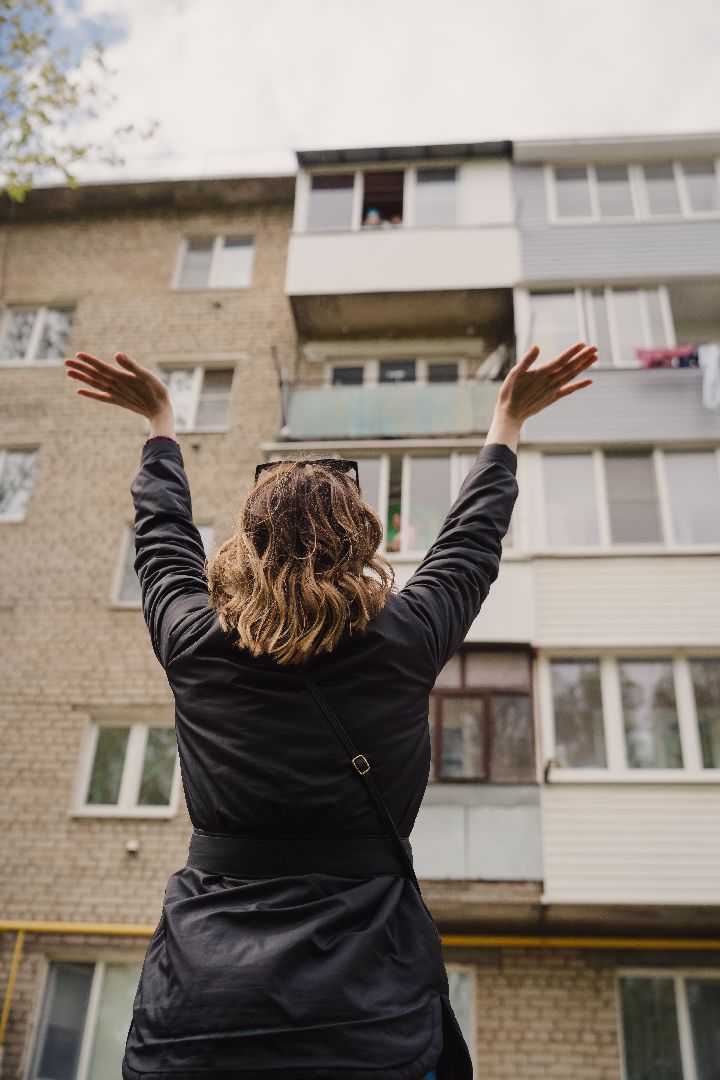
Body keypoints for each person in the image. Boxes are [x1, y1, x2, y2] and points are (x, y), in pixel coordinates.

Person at [64, 340, 598, 1080]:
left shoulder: (194, 642)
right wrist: (505, 422)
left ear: (248, 544)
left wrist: (160, 425)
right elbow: (471, 544)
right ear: (358, 542)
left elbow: (160, 544)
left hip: (198, 1014)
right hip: (369, 1012)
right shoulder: (403, 642)